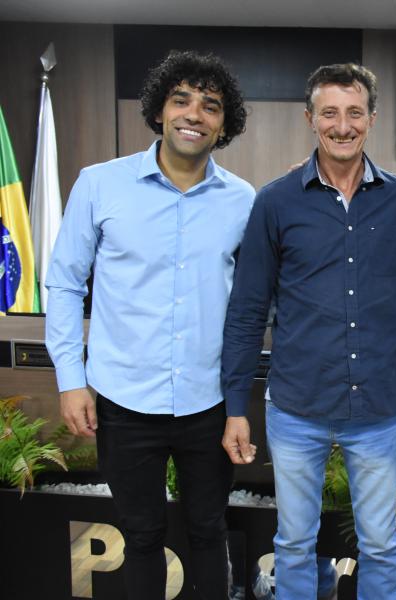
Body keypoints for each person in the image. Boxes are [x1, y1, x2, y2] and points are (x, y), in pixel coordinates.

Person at [45, 50, 254, 599]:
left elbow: (252, 306)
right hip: (124, 399)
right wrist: (70, 379)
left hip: (207, 403)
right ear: (159, 110)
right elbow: (64, 284)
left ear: (224, 124)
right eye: (181, 100)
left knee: (209, 531)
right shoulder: (99, 185)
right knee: (141, 537)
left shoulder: (242, 201)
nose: (194, 114)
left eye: (210, 106)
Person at [220, 63, 396, 600]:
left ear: (372, 119)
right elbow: (247, 308)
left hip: (378, 410)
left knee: (380, 544)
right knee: (293, 544)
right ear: (309, 119)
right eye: (329, 113)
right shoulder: (276, 202)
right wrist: (236, 405)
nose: (342, 125)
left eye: (354, 113)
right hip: (297, 408)